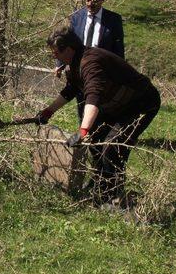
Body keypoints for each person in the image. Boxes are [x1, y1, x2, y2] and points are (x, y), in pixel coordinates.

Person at [37, 27, 160, 204]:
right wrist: (48, 111)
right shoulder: (75, 63)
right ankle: (100, 185)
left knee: (112, 145)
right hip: (116, 104)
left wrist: (83, 130)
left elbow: (92, 99)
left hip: (140, 103)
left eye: (56, 52)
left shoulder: (90, 63)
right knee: (95, 142)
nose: (54, 56)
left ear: (69, 49)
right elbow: (71, 89)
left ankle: (113, 198)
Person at [56, 0, 125, 120]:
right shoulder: (77, 17)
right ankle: (85, 133)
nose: (90, 4)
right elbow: (67, 41)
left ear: (102, 0)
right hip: (80, 68)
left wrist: (119, 70)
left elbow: (118, 47)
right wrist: (60, 63)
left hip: (101, 69)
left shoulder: (113, 20)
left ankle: (97, 133)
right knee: (82, 102)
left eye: (94, 1)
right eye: (87, 1)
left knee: (98, 102)